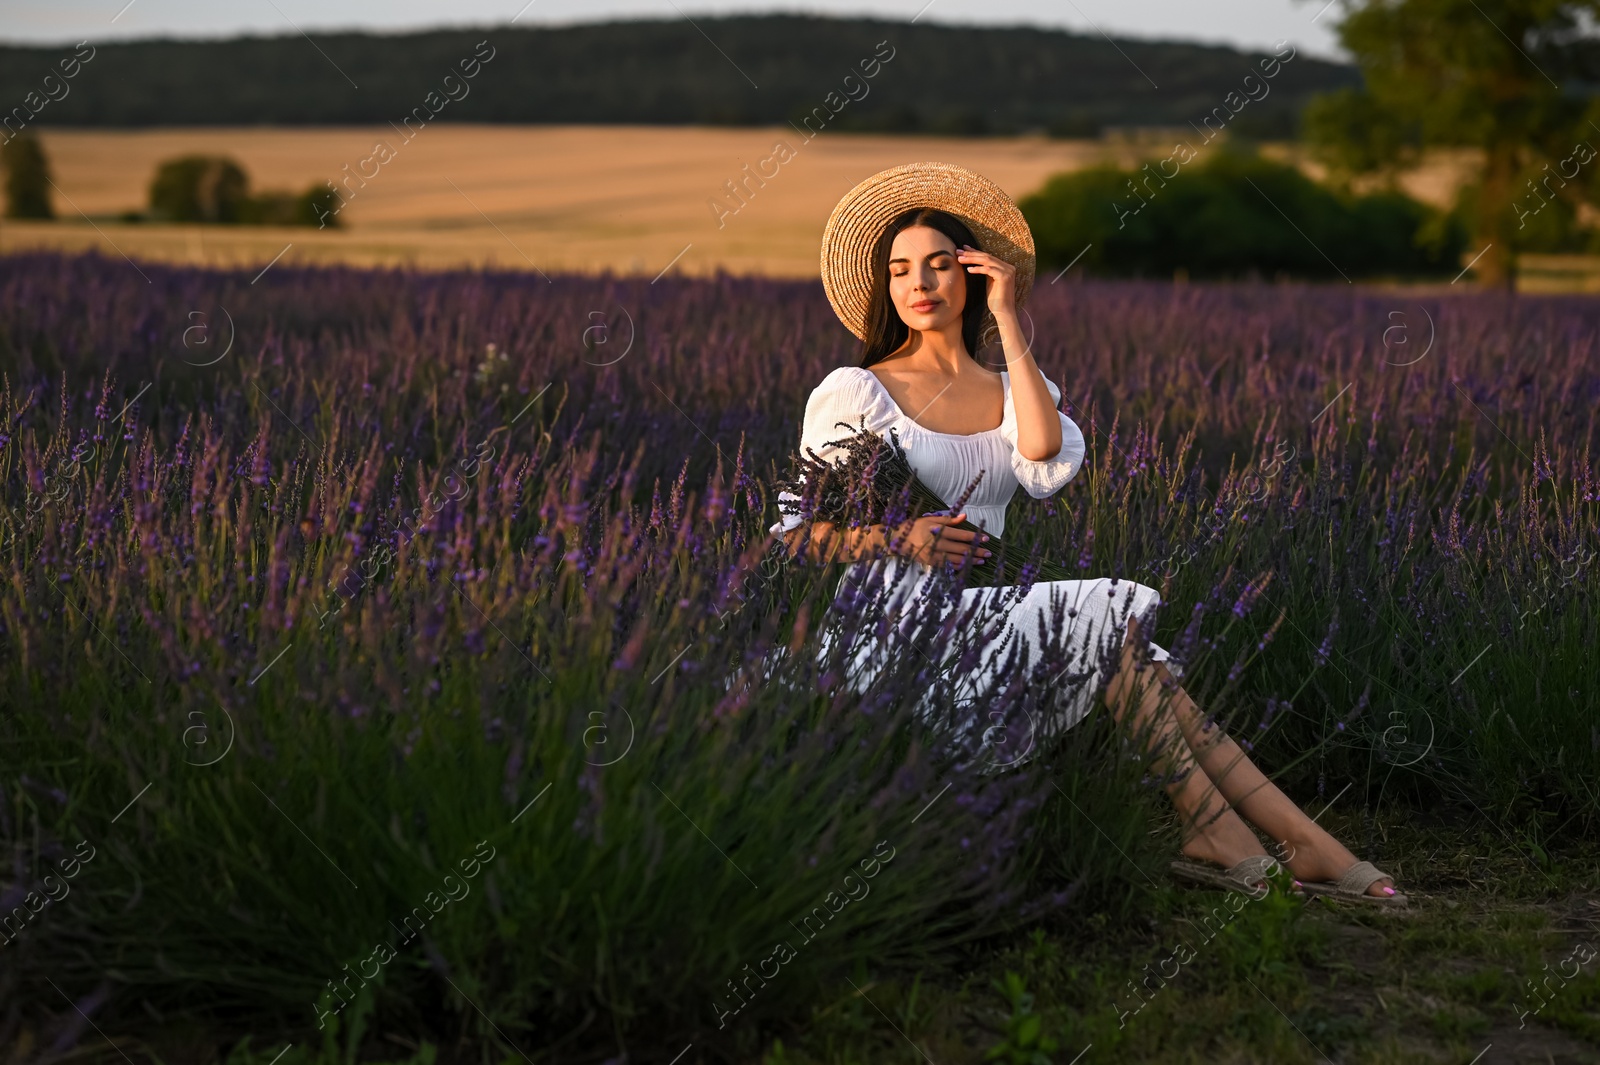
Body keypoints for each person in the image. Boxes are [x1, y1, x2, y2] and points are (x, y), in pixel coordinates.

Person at [768, 161, 1405, 904]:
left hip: (973, 614)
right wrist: (895, 537)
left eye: (941, 264)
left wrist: (1010, 319)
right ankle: (1256, 842)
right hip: (887, 627)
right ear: (885, 287)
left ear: (973, 274)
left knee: (1143, 665)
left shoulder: (1012, 389)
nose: (920, 283)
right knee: (1111, 629)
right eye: (902, 269)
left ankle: (1283, 841)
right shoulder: (858, 390)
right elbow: (793, 533)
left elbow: (1039, 455)